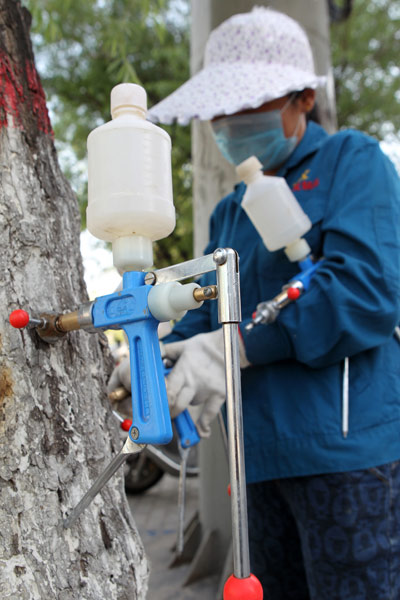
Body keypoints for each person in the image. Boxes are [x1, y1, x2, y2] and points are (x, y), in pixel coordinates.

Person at [109, 7, 400, 598]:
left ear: (300, 100)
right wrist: (153, 348)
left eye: (249, 104)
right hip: (254, 460)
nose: (229, 122)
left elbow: (365, 290)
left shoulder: (352, 162)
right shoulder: (229, 213)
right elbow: (199, 309)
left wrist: (233, 347)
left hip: (344, 454)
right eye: (221, 108)